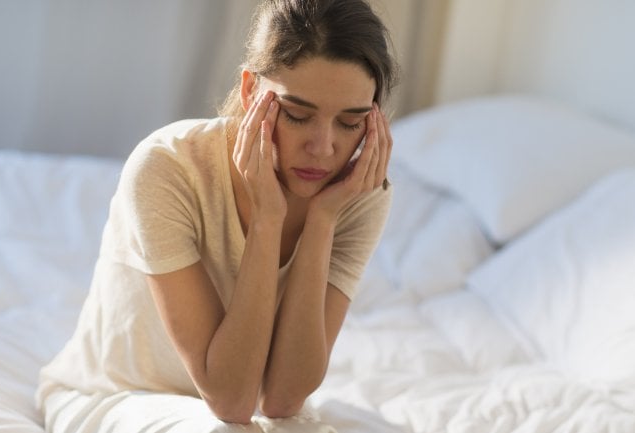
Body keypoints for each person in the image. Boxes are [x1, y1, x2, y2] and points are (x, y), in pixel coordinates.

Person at [36, 0, 399, 431]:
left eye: (350, 123)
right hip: (115, 394)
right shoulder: (168, 167)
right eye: (297, 116)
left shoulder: (357, 194)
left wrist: (322, 222)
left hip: (247, 410)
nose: (323, 148)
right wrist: (268, 219)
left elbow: (283, 398)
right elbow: (231, 401)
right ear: (249, 93)